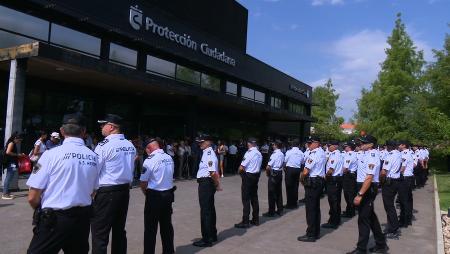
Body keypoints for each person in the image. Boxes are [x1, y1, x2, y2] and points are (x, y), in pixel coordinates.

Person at [26, 114, 100, 254]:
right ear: (84, 132)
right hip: (82, 219)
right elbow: (93, 191)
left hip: (54, 219)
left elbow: (32, 196)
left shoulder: (50, 155)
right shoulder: (94, 157)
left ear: (62, 131)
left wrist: (40, 211)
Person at [91, 114, 137, 254]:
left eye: (102, 124)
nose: (100, 127)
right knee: (119, 230)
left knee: (100, 233)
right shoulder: (130, 145)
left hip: (106, 192)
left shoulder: (103, 145)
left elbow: (94, 171)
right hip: (124, 191)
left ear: (111, 127)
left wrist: (91, 192)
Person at [346, 135, 388, 254]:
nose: (361, 144)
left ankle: (361, 249)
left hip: (367, 188)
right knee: (370, 217)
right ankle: (381, 244)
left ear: (371, 145)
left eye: (363, 143)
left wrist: (360, 194)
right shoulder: (366, 154)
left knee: (363, 219)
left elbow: (369, 178)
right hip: (363, 186)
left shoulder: (372, 156)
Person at [140, 137, 175, 254]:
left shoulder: (149, 160)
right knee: (167, 227)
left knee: (150, 229)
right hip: (168, 195)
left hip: (154, 196)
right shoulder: (169, 157)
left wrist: (147, 193)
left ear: (148, 148)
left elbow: (143, 182)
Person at [193, 135, 222, 247]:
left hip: (206, 184)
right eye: (199, 142)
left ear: (209, 142)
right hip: (207, 183)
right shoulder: (206, 152)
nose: (200, 144)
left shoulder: (209, 154)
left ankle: (206, 239)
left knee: (205, 211)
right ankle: (212, 235)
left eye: (202, 142)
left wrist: (217, 184)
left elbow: (213, 172)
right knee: (210, 210)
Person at [298, 137, 326, 242]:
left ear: (316, 143)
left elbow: (305, 171)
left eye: (310, 143)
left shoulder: (314, 153)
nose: (308, 145)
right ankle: (315, 232)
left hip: (313, 182)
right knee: (315, 208)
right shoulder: (321, 152)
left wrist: (301, 179)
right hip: (318, 182)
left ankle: (311, 234)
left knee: (311, 209)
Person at [235, 137, 263, 228]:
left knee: (246, 199)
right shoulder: (259, 153)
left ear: (249, 143)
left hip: (248, 176)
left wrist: (240, 173)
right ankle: (256, 219)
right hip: (256, 176)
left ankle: (245, 221)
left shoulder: (249, 153)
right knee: (254, 198)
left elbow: (242, 167)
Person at [379, 140, 402, 239]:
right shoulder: (398, 154)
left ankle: (394, 229)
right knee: (390, 206)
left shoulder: (389, 155)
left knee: (389, 206)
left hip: (389, 182)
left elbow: (384, 172)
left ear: (388, 147)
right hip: (396, 181)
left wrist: (380, 182)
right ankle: (391, 227)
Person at [322, 141, 344, 229]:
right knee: (336, 200)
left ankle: (333, 221)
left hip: (333, 180)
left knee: (333, 201)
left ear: (335, 146)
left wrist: (325, 177)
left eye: (329, 145)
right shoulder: (338, 154)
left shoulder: (335, 155)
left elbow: (331, 169)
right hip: (337, 179)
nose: (328, 147)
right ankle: (336, 219)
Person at [264, 140, 285, 217]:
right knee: (278, 192)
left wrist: (267, 174)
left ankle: (271, 211)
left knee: (271, 193)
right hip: (279, 173)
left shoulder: (274, 154)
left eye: (273, 145)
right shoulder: (282, 154)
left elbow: (268, 167)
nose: (272, 146)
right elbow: (283, 163)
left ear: (276, 145)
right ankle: (280, 210)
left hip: (274, 173)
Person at [2, 133, 25, 200]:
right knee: (9, 177)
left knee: (9, 177)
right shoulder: (11, 143)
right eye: (19, 140)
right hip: (11, 162)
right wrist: (18, 154)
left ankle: (6, 192)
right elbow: (8, 152)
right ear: (15, 138)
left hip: (12, 162)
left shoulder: (12, 143)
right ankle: (5, 194)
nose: (19, 142)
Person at [284, 139, 304, 209]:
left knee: (289, 186)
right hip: (297, 169)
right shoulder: (301, 153)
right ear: (298, 145)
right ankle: (294, 203)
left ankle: (289, 203)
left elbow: (285, 160)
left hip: (290, 169)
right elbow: (302, 162)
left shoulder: (289, 152)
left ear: (292, 145)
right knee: (295, 186)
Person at [398, 140, 415, 228]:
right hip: (409, 178)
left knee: (403, 200)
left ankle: (403, 220)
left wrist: (396, 174)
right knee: (408, 200)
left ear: (404, 145)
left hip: (404, 179)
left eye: (400, 144)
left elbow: (402, 168)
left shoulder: (404, 154)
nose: (398, 145)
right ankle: (408, 219)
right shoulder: (410, 153)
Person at [342, 142, 358, 218]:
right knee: (350, 194)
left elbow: (345, 168)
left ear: (349, 147)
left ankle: (350, 212)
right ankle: (350, 210)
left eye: (346, 146)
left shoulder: (349, 154)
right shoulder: (354, 154)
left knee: (348, 194)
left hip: (349, 176)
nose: (345, 148)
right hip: (352, 175)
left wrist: (341, 173)